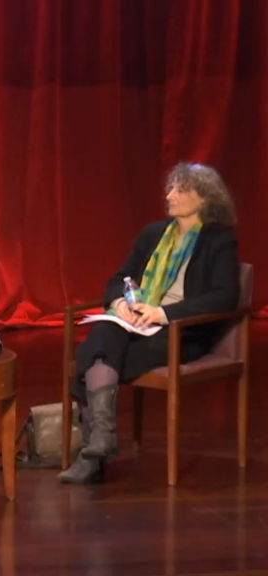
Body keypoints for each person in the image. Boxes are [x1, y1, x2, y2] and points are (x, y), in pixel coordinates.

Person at [58, 162, 239, 484]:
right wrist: (121, 305)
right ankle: (99, 444)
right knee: (104, 331)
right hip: (138, 321)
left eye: (180, 190)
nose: (169, 195)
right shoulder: (153, 233)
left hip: (182, 330)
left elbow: (225, 296)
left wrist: (164, 314)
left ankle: (93, 454)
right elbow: (118, 279)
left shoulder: (218, 240)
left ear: (204, 200)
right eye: (170, 188)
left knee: (91, 360)